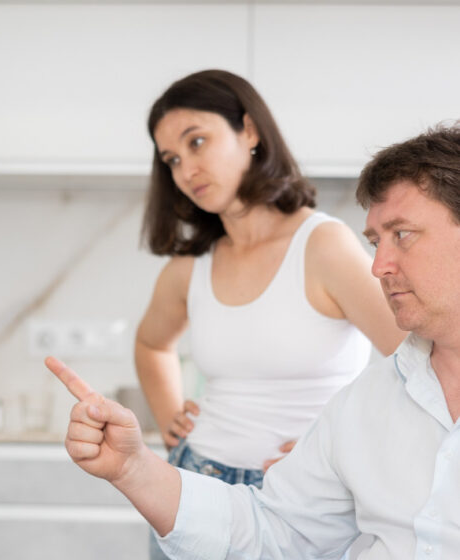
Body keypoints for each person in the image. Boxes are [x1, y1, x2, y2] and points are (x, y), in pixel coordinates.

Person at [48, 124, 460, 559]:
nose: (377, 267)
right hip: (207, 469)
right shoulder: (361, 408)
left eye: (403, 235)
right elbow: (276, 532)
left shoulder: (321, 246)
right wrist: (134, 467)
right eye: (375, 242)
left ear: (249, 133)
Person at [134, 69, 404, 555]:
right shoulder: (190, 267)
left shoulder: (323, 247)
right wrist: (170, 416)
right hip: (193, 486)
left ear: (250, 131)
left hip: (304, 503)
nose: (185, 169)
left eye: (197, 142)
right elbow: (151, 343)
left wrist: (348, 450)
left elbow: (420, 360)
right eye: (172, 158)